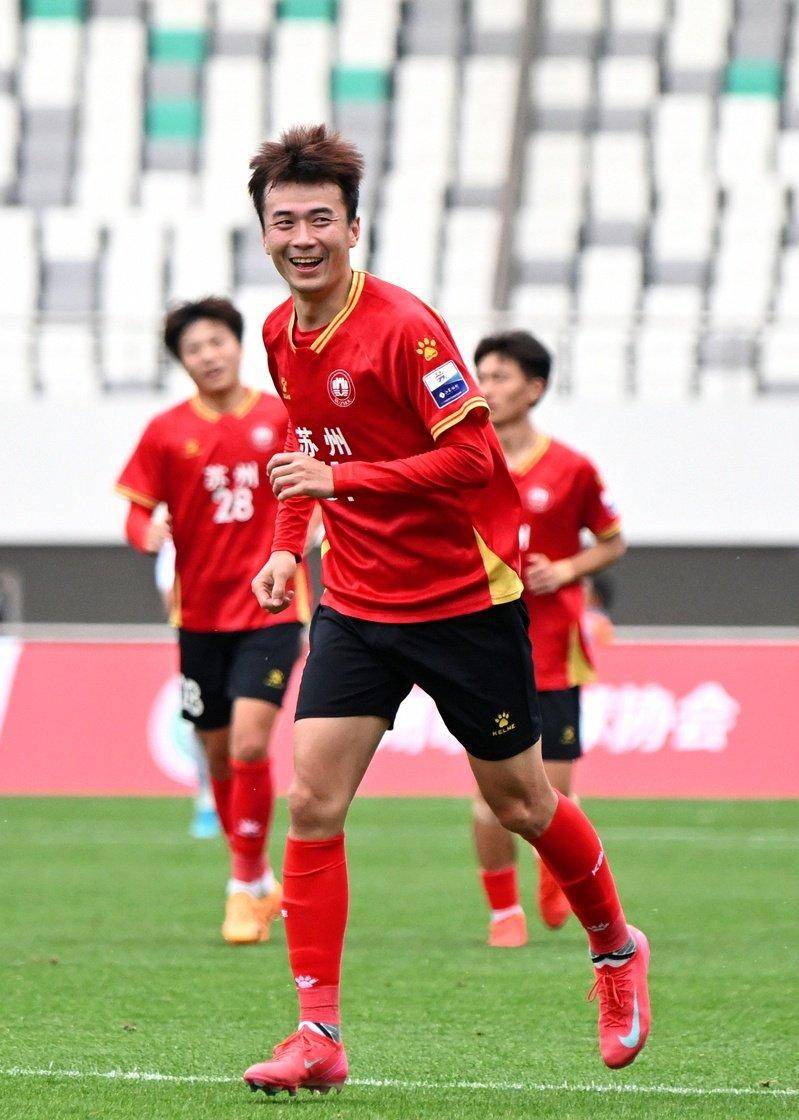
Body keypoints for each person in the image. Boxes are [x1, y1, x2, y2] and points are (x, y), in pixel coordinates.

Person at [242, 125, 650, 1096]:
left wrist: (341, 483)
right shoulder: (277, 333)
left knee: (520, 804)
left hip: (465, 599)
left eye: (319, 219)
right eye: (283, 221)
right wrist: (283, 548)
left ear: (353, 228)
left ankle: (614, 947)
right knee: (311, 801)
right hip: (356, 603)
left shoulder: (403, 329)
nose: (302, 237)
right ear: (264, 233)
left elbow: (471, 458)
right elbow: (306, 450)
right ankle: (317, 1032)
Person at [116, 297, 311, 945]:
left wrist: (307, 536)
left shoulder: (280, 417)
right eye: (194, 348)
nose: (208, 355)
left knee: (251, 743)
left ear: (237, 345)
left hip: (272, 608)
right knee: (219, 755)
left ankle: (239, 885)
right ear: (182, 361)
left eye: (217, 342)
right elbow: (136, 511)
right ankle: (258, 881)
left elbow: (318, 488)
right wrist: (147, 533)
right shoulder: (166, 431)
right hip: (199, 615)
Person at [471, 331, 627, 949]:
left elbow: (612, 542)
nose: (486, 388)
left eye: (501, 377)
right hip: (481, 648)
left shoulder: (571, 468)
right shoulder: (460, 461)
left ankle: (551, 865)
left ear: (534, 389)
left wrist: (563, 570)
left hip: (553, 649)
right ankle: (502, 914)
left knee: (553, 795)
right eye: (481, 375)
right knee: (489, 796)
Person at [155, 534, 221, 840]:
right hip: (202, 636)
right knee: (202, 720)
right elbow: (171, 597)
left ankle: (237, 799)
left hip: (248, 633)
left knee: (246, 726)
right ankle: (207, 796)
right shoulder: (180, 533)